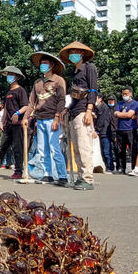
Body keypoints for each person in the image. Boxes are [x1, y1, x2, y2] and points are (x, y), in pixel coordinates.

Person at [60, 42, 99, 190]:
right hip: (73, 111)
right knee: (76, 148)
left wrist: (89, 110)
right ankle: (80, 177)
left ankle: (88, 179)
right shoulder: (73, 73)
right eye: (71, 52)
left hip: (84, 111)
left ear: (82, 54)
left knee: (84, 146)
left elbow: (93, 90)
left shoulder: (89, 68)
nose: (73, 54)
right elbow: (74, 96)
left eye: (76, 51)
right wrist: (67, 109)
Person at [28, 51, 67, 185]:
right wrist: (26, 118)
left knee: (54, 148)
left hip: (52, 118)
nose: (43, 65)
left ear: (51, 65)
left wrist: (57, 117)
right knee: (41, 149)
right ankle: (47, 173)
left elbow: (62, 100)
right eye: (41, 63)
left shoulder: (58, 80)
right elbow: (32, 103)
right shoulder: (37, 83)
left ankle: (62, 176)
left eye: (45, 63)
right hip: (40, 119)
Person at [0, 67, 30, 179]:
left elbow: (26, 106)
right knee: (2, 147)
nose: (9, 76)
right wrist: (2, 121)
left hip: (17, 124)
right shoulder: (8, 92)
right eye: (8, 74)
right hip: (8, 124)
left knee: (17, 148)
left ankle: (18, 171)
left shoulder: (21, 90)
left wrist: (17, 113)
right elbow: (5, 109)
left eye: (11, 74)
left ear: (16, 77)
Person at [113, 87, 138, 175]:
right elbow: (115, 113)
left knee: (133, 149)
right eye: (123, 94)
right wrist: (123, 115)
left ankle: (134, 168)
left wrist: (120, 114)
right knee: (120, 150)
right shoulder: (119, 103)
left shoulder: (135, 103)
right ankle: (121, 168)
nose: (125, 95)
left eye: (126, 94)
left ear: (131, 94)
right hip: (120, 129)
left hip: (130, 129)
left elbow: (130, 114)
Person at [94, 93, 116, 174]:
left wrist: (97, 130)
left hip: (104, 132)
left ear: (100, 99)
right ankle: (105, 166)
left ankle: (110, 167)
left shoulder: (104, 108)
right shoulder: (96, 108)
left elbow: (103, 121)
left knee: (107, 151)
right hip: (99, 132)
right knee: (101, 151)